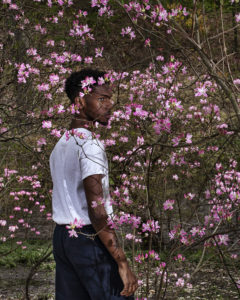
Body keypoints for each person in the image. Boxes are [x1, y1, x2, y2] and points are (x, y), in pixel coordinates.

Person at [50, 68, 138, 300]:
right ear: (79, 101)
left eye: (110, 99)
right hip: (89, 239)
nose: (109, 105)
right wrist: (121, 261)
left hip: (63, 238)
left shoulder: (61, 144)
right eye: (101, 98)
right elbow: (97, 210)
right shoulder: (90, 145)